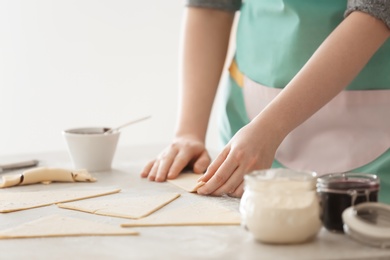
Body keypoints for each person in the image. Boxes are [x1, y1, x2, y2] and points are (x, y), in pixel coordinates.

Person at [141, 0, 390, 203]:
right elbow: (211, 6)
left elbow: (375, 12)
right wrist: (189, 133)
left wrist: (271, 127)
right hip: (249, 124)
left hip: (369, 136)